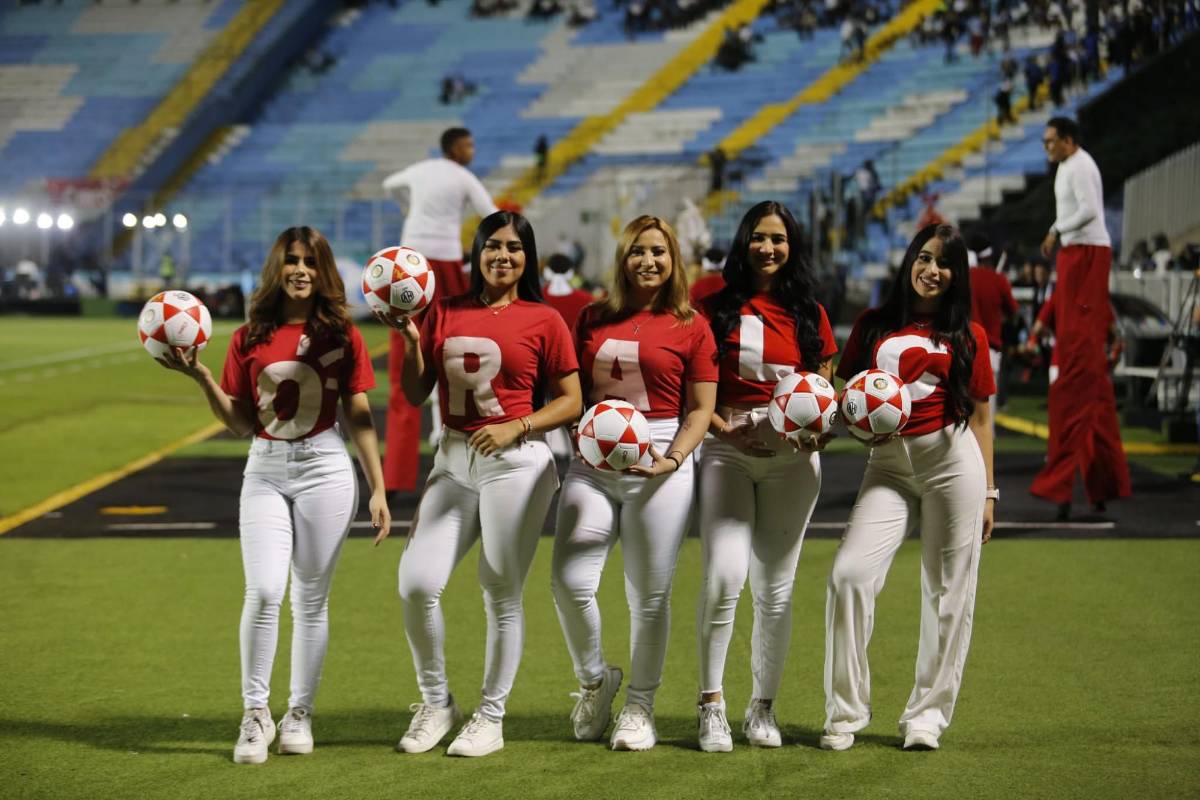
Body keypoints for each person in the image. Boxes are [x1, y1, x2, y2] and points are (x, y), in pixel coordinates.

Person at [157, 226, 390, 764]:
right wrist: (203, 379)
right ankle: (255, 713)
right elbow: (241, 422)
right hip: (264, 468)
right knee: (263, 593)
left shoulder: (342, 333)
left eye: (311, 260)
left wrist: (378, 486)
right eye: (292, 260)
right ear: (276, 267)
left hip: (327, 469)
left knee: (310, 599)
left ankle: (299, 711)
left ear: (324, 269)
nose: (301, 269)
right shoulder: (249, 335)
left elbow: (359, 413)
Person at [380, 210, 583, 758]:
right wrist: (411, 338)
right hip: (452, 460)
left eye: (514, 248)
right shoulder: (442, 310)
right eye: (493, 246)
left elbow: (571, 400)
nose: (502, 256)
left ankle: (490, 716)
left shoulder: (544, 319)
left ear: (527, 257)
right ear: (477, 253)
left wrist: (518, 423)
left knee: (499, 590)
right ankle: (436, 701)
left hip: (516, 462)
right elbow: (418, 392)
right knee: (416, 583)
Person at [822, 223, 995, 753]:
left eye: (944, 263)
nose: (932, 270)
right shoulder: (875, 325)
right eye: (924, 258)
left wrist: (990, 491)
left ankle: (927, 716)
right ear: (909, 262)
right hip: (888, 467)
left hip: (952, 461)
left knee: (949, 593)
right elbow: (842, 393)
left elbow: (984, 416)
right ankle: (845, 712)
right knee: (848, 575)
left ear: (956, 275)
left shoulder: (970, 333)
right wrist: (851, 421)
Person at [551, 216, 718, 751]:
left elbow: (701, 410)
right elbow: (569, 391)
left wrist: (671, 460)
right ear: (622, 259)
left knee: (649, 594)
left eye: (659, 251)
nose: (648, 261)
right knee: (570, 580)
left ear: (675, 261)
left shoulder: (692, 323)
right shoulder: (592, 317)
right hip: (594, 459)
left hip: (661, 456)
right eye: (638, 252)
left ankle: (640, 706)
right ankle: (596, 679)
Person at [694, 201, 838, 752]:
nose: (769, 248)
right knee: (725, 578)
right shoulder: (712, 308)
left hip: (792, 463)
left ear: (792, 246)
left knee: (775, 591)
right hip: (728, 454)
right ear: (743, 242)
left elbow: (824, 396)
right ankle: (711, 704)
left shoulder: (810, 312)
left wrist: (818, 431)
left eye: (778, 239)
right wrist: (719, 428)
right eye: (759, 237)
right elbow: (694, 390)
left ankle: (762, 708)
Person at [381, 128, 498, 495]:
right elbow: (491, 216)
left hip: (407, 266)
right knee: (462, 360)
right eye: (469, 145)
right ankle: (473, 465)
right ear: (454, 148)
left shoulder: (418, 171)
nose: (472, 151)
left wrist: (408, 210)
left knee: (403, 372)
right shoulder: (463, 177)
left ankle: (396, 478)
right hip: (445, 266)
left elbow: (389, 184)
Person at [1032, 117, 1130, 518]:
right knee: (1089, 382)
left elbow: (1090, 212)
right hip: (1078, 256)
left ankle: (1064, 483)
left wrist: (1055, 229)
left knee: (1077, 371)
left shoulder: (1081, 166)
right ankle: (1100, 484)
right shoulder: (1071, 166)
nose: (1047, 148)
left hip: (1085, 254)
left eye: (1051, 141)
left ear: (1069, 141)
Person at [969, 232, 1018, 429]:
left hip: (963, 349)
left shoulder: (964, 278)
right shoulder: (998, 280)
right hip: (990, 351)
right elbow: (1013, 312)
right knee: (986, 419)